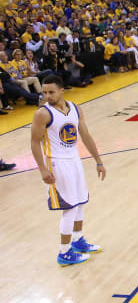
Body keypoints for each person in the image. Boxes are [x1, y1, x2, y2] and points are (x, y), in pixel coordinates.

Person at [29, 75, 106, 265]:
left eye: (51, 92)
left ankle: (78, 240)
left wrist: (98, 160)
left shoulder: (75, 109)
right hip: (56, 163)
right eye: (44, 92)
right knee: (69, 207)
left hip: (74, 160)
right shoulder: (42, 114)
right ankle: (64, 252)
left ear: (62, 90)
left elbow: (86, 136)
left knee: (80, 202)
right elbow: (34, 143)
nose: (47, 95)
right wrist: (42, 170)